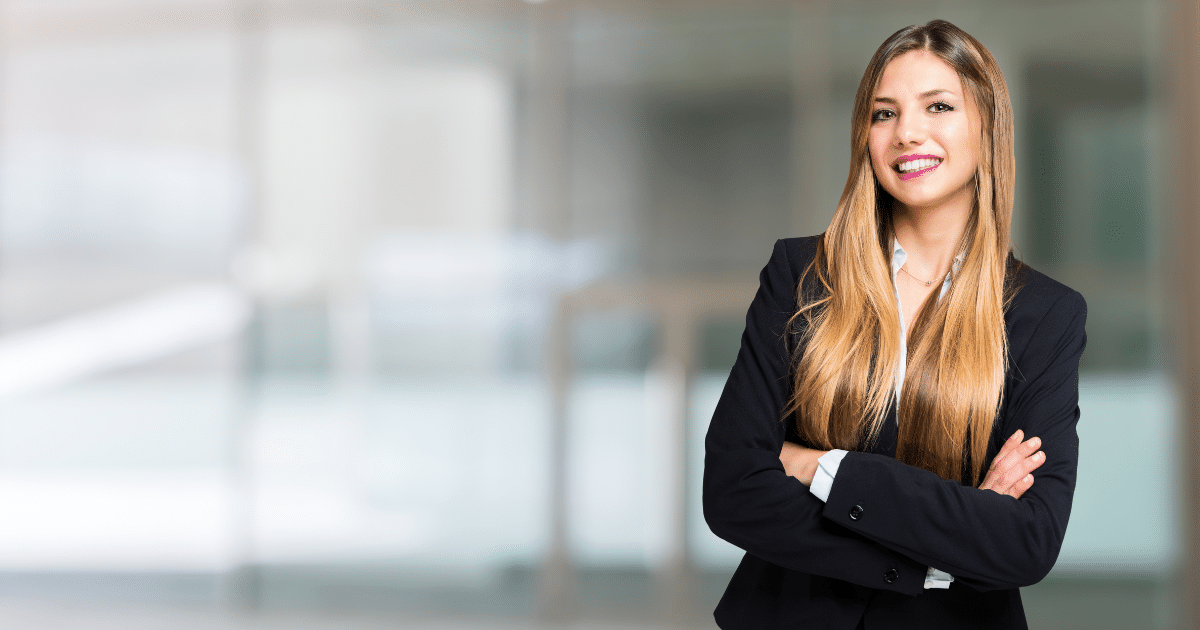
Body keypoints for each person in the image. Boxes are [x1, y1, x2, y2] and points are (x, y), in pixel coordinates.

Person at [701, 19, 1087, 630]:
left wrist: (821, 467)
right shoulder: (801, 275)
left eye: (938, 106)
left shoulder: (1045, 313)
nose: (907, 132)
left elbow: (1025, 540)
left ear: (987, 127)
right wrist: (945, 539)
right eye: (885, 113)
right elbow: (732, 490)